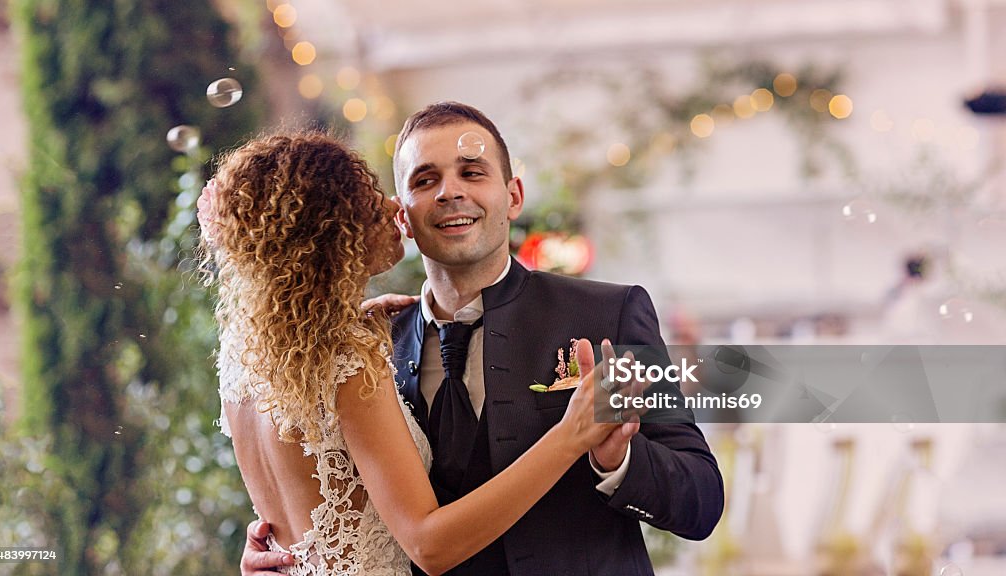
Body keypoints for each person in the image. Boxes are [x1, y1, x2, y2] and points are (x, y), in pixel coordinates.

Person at [241, 103, 725, 575]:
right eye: (425, 180)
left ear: (513, 196)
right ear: (401, 217)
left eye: (472, 172)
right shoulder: (372, 343)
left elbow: (702, 500)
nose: (450, 191)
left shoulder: (609, 314)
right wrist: (290, 554)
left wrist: (620, 460)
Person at [200, 130, 623, 576]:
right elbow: (429, 544)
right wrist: (572, 434)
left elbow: (697, 491)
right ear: (330, 229)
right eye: (370, 198)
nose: (392, 207)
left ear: (513, 195)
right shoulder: (347, 360)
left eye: (471, 172)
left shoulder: (251, 358)